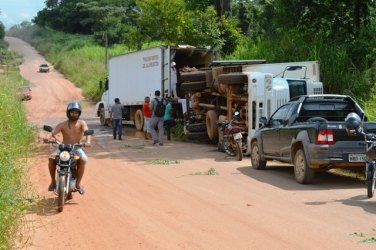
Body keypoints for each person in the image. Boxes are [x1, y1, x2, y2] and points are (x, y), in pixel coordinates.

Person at [46, 101, 91, 195]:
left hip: (76, 148)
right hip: (63, 148)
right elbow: (53, 132)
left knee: (83, 160)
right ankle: (53, 182)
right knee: (51, 158)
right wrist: (48, 137)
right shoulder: (62, 124)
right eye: (72, 112)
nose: (74, 114)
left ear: (79, 113)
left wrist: (88, 141)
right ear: (68, 112)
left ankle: (78, 184)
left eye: (76, 112)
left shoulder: (81, 123)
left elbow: (87, 131)